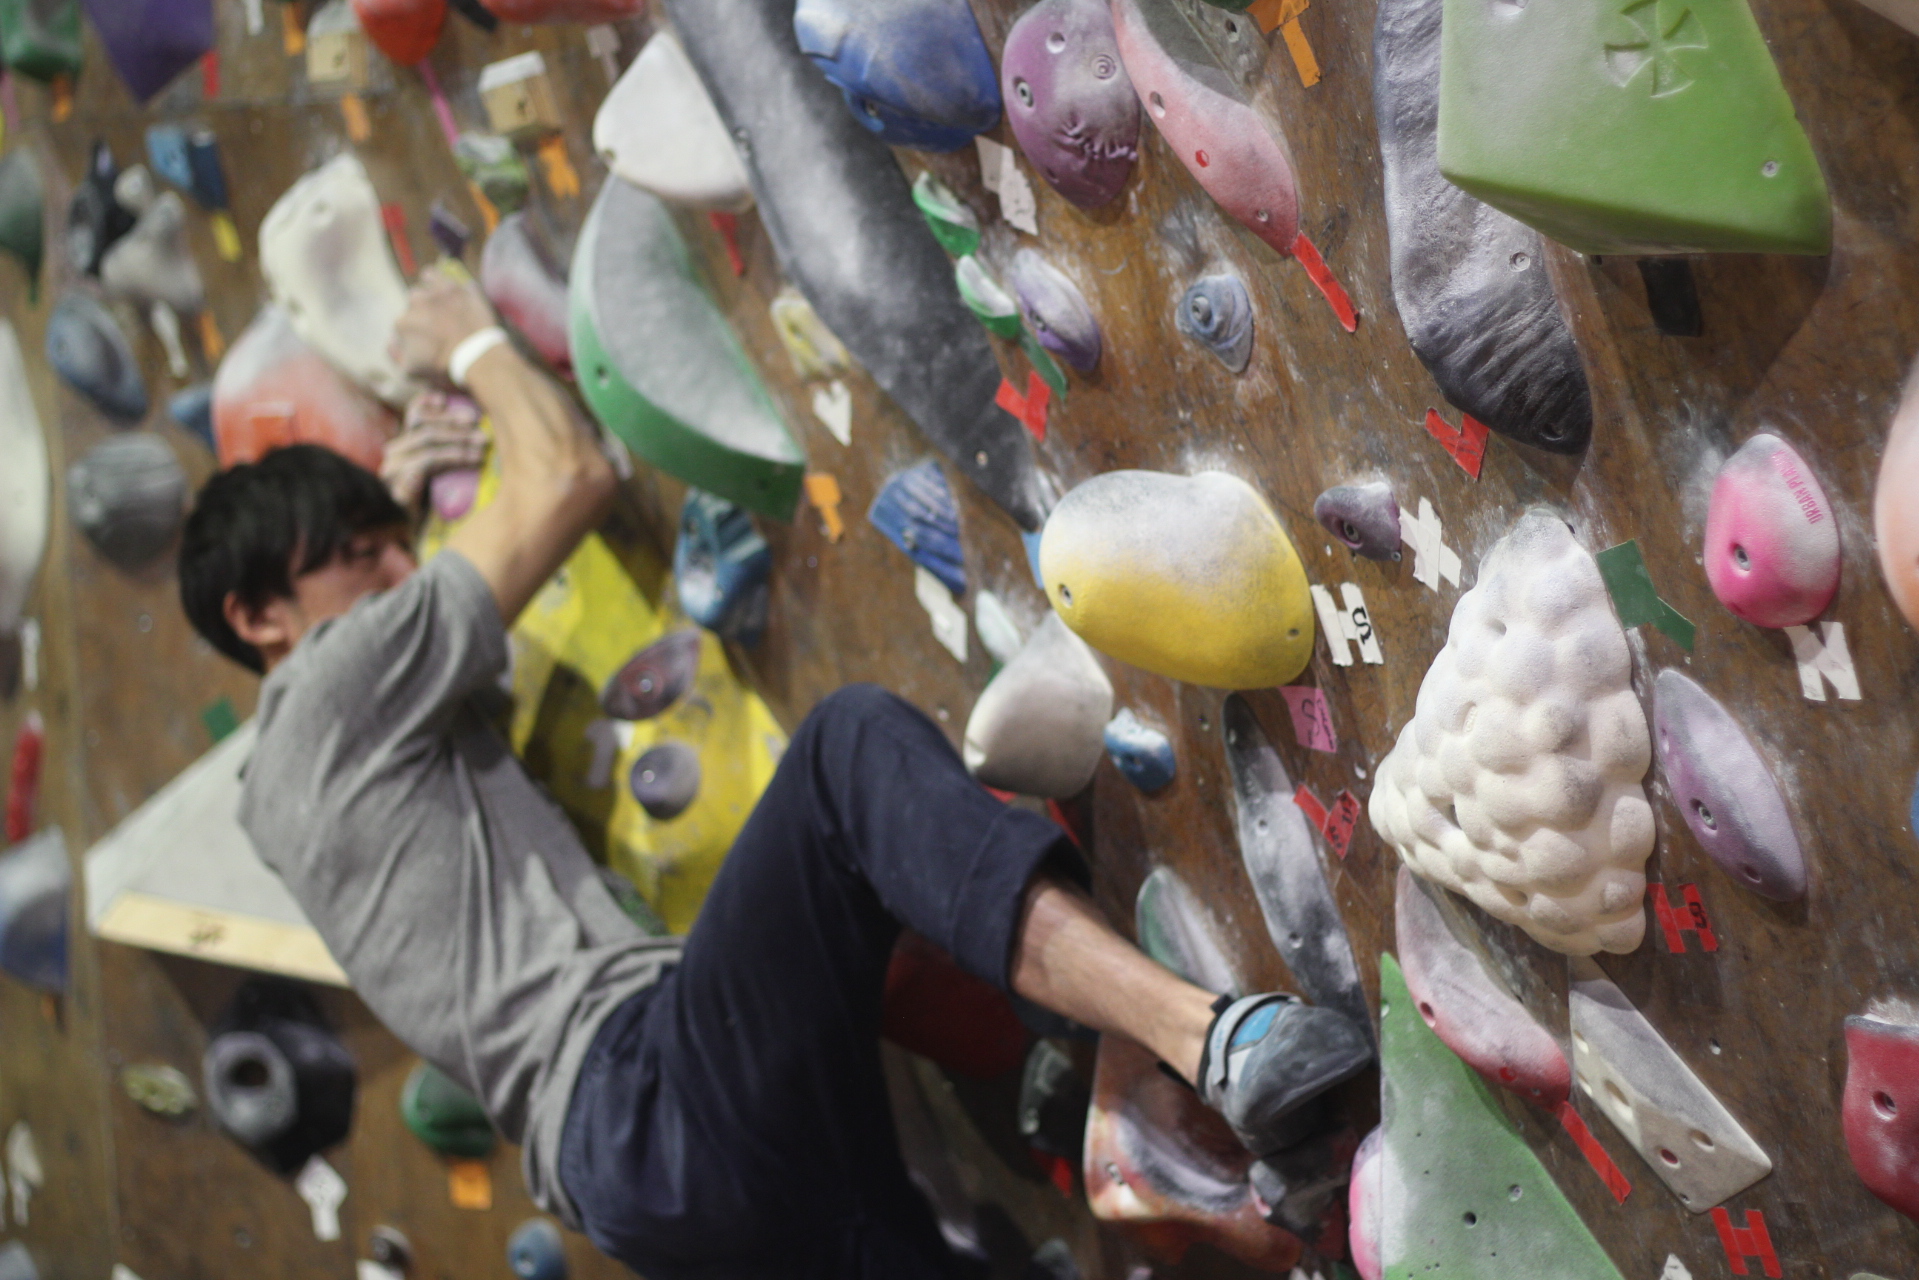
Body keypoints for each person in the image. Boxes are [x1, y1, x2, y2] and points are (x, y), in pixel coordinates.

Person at [177, 266, 1372, 1279]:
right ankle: (1217, 1040)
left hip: (644, 1197)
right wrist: (470, 341)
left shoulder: (294, 783)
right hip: (645, 1089)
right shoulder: (327, 690)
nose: (403, 577)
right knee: (846, 757)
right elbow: (566, 473)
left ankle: (1244, 1161)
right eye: (364, 560)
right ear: (258, 615)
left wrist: (379, 514)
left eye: (400, 550)